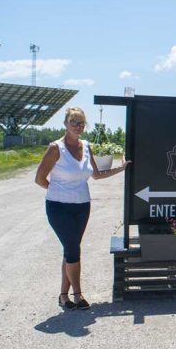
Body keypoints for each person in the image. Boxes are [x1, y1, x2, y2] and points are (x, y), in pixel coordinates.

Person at [35, 107, 130, 310]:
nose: (78, 126)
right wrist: (60, 190)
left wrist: (121, 168)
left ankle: (63, 295)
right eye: (73, 122)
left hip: (82, 207)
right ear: (65, 124)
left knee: (70, 250)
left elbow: (96, 174)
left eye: (81, 123)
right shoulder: (55, 148)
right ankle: (77, 294)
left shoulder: (86, 146)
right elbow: (39, 179)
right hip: (58, 207)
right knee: (72, 250)